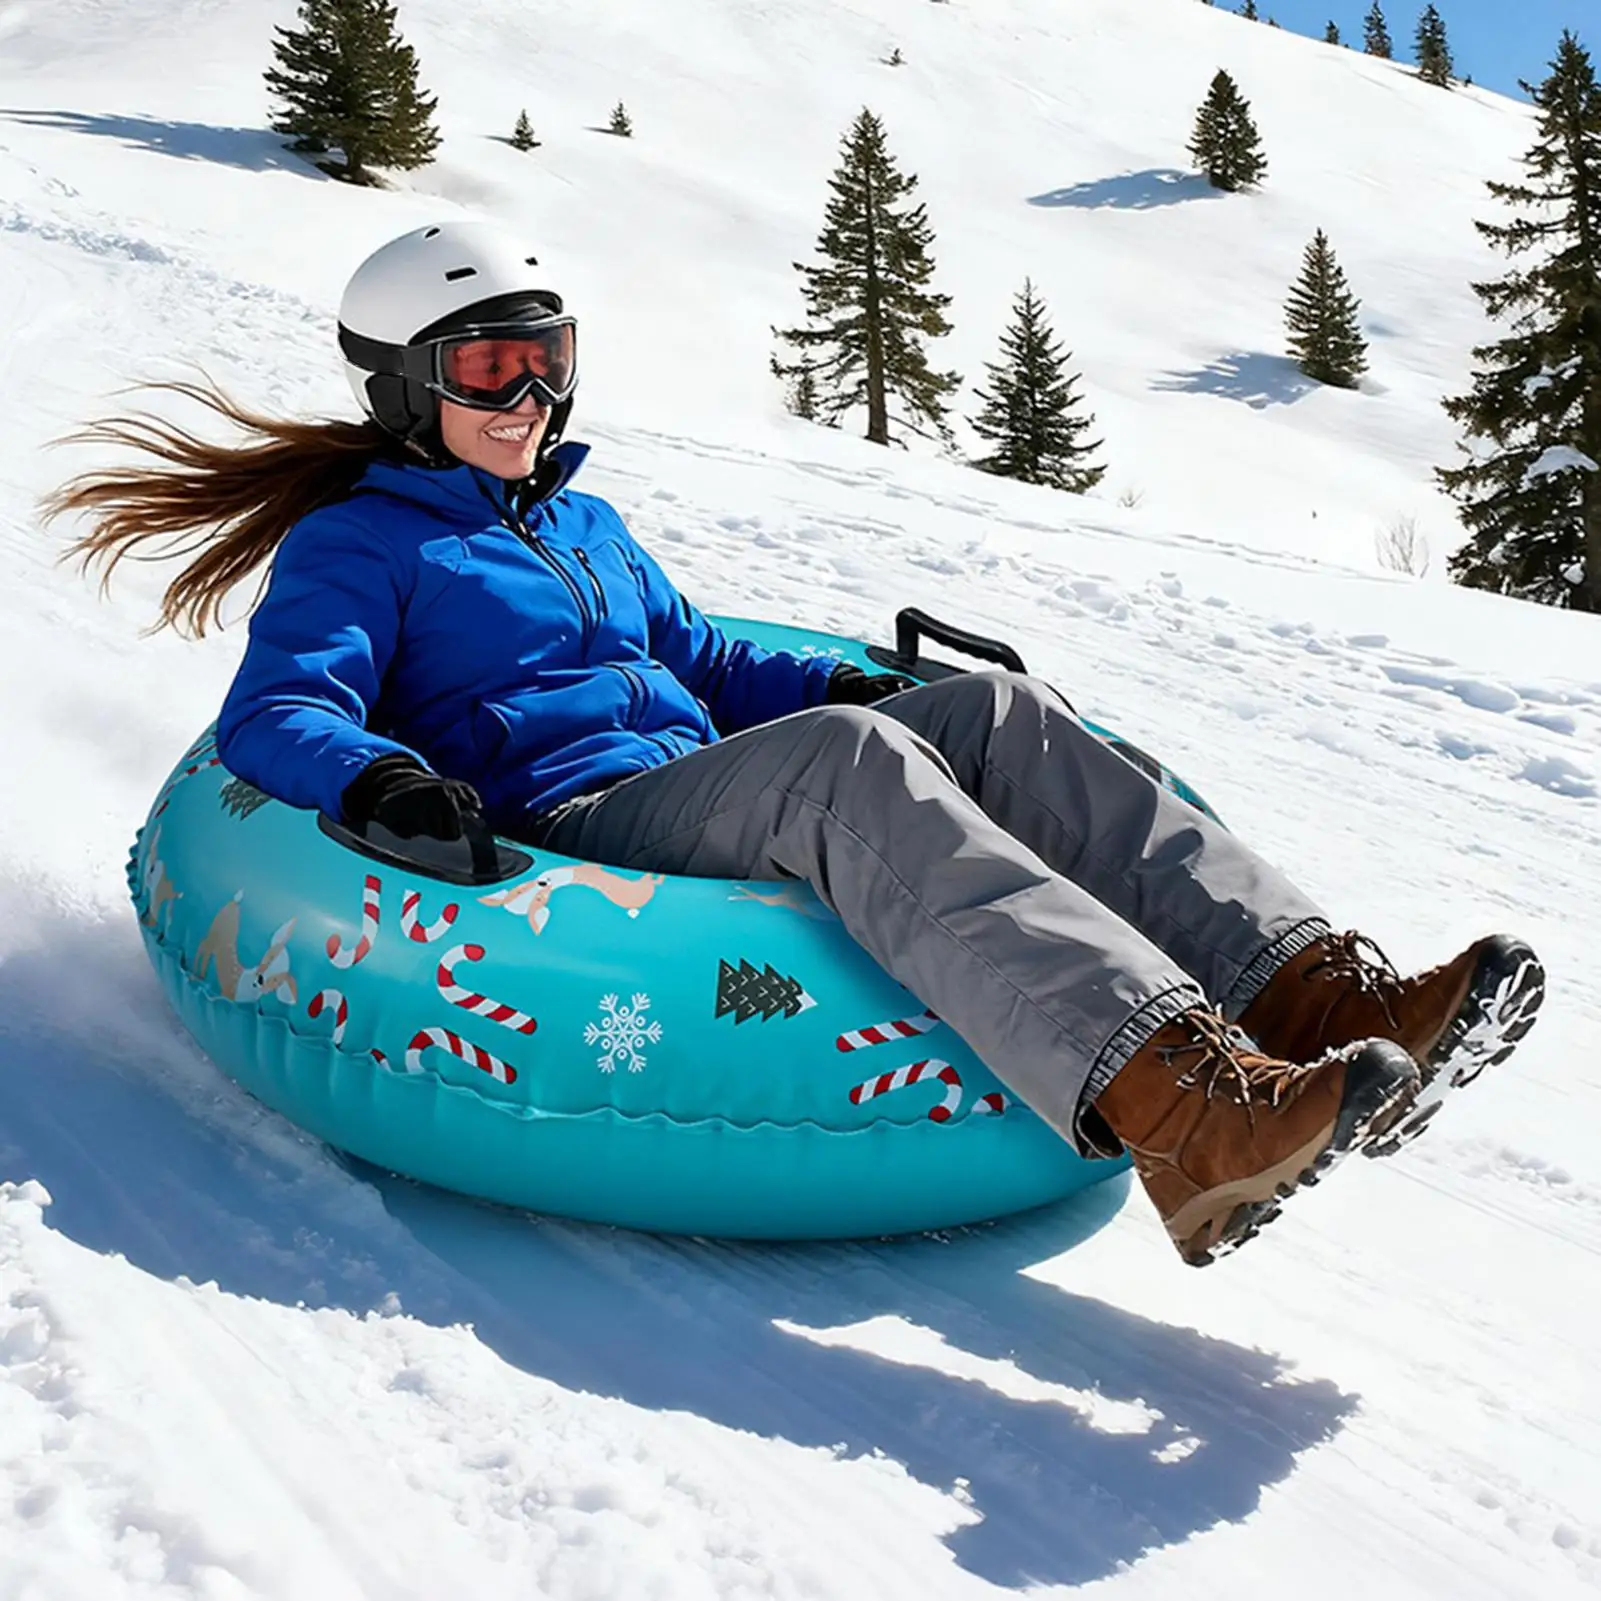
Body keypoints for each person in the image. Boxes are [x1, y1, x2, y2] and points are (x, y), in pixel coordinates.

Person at [53, 220, 1545, 1266]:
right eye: (483, 372)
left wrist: (879, 681)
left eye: (544, 354)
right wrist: (373, 773)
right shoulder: (359, 546)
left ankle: (1309, 998)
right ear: (403, 390)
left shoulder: (586, 523)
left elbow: (697, 654)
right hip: (575, 828)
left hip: (693, 775)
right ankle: (1186, 1118)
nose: (529, 394)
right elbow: (282, 711)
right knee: (851, 770)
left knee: (997, 718)